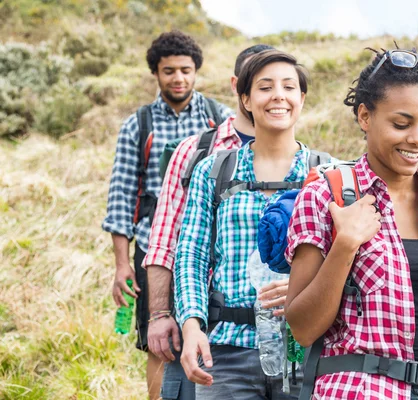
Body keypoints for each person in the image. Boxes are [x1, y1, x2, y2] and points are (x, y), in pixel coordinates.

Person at [284, 48, 418, 400]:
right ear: (365, 116)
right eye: (401, 124)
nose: (417, 138)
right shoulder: (327, 196)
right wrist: (345, 244)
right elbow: (303, 329)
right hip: (361, 390)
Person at [174, 49, 326, 399]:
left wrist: (306, 289)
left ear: (301, 99)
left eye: (289, 87)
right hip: (226, 352)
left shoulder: (327, 173)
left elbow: (346, 261)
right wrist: (192, 326)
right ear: (245, 98)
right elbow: (191, 256)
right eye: (265, 87)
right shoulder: (214, 170)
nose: (278, 96)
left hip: (306, 351)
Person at [102, 30, 232, 400]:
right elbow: (122, 197)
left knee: (207, 330)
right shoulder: (138, 125)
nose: (179, 79)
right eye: (169, 71)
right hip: (152, 249)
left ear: (196, 71)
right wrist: (122, 264)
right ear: (156, 74)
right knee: (158, 340)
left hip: (207, 248)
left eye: (186, 70)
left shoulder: (218, 119)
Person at [142, 44, 274, 400]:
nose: (273, 94)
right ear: (239, 88)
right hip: (209, 331)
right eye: (260, 83)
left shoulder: (304, 162)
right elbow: (167, 241)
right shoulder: (198, 151)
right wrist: (160, 315)